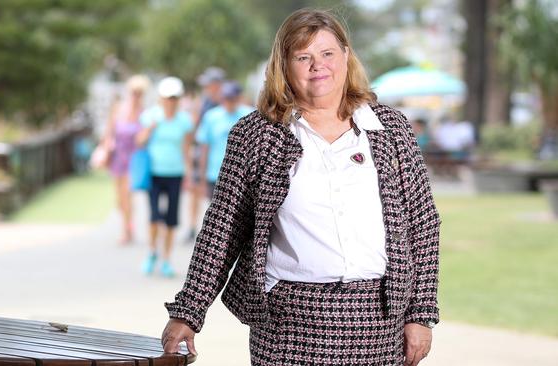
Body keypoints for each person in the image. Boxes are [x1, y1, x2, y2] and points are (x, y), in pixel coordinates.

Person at [161, 8, 440, 366]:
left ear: (346, 56)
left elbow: (423, 225)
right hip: (289, 326)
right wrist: (188, 311)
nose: (317, 66)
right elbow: (223, 229)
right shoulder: (256, 135)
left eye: (327, 54)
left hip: (380, 323)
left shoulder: (391, 129)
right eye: (303, 57)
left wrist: (420, 313)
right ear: (284, 65)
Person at [136, 76, 193, 278]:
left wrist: (188, 174)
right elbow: (139, 142)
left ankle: (166, 259)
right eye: (168, 98)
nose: (171, 102)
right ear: (161, 98)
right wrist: (151, 128)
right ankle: (152, 251)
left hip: (175, 174)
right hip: (154, 173)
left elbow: (186, 148)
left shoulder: (185, 120)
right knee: (154, 217)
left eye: (175, 98)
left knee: (171, 219)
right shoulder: (151, 116)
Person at [103, 74, 150, 244]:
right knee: (119, 199)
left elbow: (144, 138)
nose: (136, 95)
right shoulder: (119, 109)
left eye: (139, 92)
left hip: (134, 158)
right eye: (133, 92)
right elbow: (109, 131)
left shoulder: (144, 113)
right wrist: (106, 147)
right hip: (118, 156)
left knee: (127, 195)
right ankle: (127, 224)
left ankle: (127, 229)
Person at [185, 66, 226, 242]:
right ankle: (192, 227)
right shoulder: (204, 102)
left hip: (217, 154)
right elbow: (194, 127)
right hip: (201, 150)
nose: (206, 88)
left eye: (209, 85)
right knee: (194, 189)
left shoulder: (225, 102)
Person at [195, 80, 253, 198]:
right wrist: (202, 177)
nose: (228, 102)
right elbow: (204, 148)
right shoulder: (211, 117)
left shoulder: (249, 115)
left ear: (238, 98)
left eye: (231, 98)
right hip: (216, 175)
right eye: (226, 98)